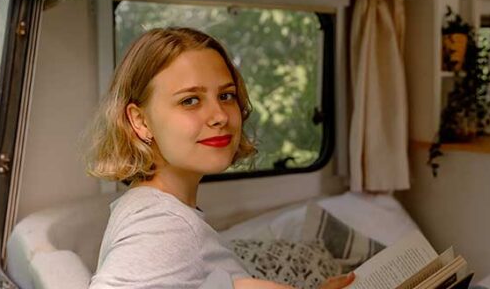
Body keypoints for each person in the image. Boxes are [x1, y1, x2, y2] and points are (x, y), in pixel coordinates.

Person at [87, 27, 354, 289]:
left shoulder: (150, 207)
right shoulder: (163, 226)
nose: (221, 116)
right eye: (190, 100)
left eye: (226, 96)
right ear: (140, 121)